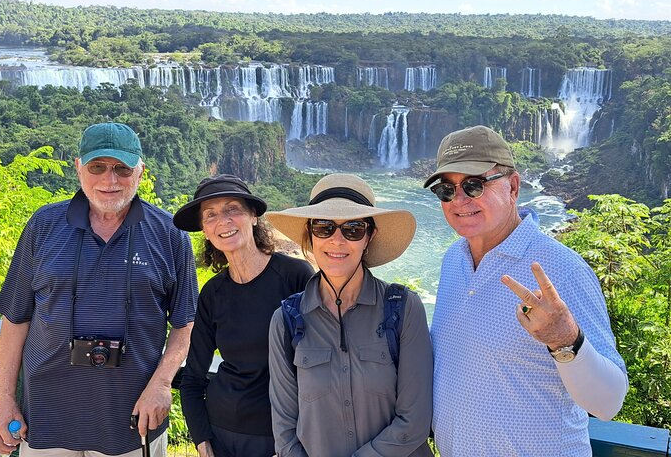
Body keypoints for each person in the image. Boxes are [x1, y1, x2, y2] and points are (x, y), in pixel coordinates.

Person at [0, 122, 198, 457]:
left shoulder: (170, 235)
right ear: (78, 168)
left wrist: (161, 384)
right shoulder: (43, 225)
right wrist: (4, 401)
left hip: (132, 422)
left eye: (122, 169)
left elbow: (185, 324)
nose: (109, 180)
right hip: (44, 418)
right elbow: (15, 319)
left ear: (141, 172)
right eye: (97, 167)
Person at [425, 125, 628, 456]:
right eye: (447, 190)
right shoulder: (453, 260)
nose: (459, 200)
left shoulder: (562, 269)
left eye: (474, 186)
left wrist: (565, 341)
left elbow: (609, 403)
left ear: (513, 187)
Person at [266, 173, 433, 457]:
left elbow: (415, 421)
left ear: (369, 237)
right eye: (324, 227)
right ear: (310, 234)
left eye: (353, 228)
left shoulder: (403, 309)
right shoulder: (286, 321)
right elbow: (284, 430)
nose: (337, 240)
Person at [173, 174, 314, 457]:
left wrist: (298, 440)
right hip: (221, 434)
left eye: (232, 209)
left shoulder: (295, 277)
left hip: (278, 437)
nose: (222, 221)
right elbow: (192, 379)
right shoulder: (213, 293)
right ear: (204, 229)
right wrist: (201, 439)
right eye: (210, 215)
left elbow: (321, 368)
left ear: (252, 217)